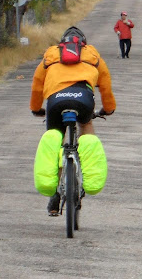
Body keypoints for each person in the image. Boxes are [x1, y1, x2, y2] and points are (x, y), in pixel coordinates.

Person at [30, 26, 116, 215]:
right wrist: (108, 108)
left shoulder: (51, 55)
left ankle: (54, 194)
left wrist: (36, 108)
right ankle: (86, 171)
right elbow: (105, 83)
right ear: (83, 43)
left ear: (62, 43)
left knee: (56, 138)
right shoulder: (92, 55)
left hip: (55, 101)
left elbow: (37, 84)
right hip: (83, 99)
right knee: (86, 124)